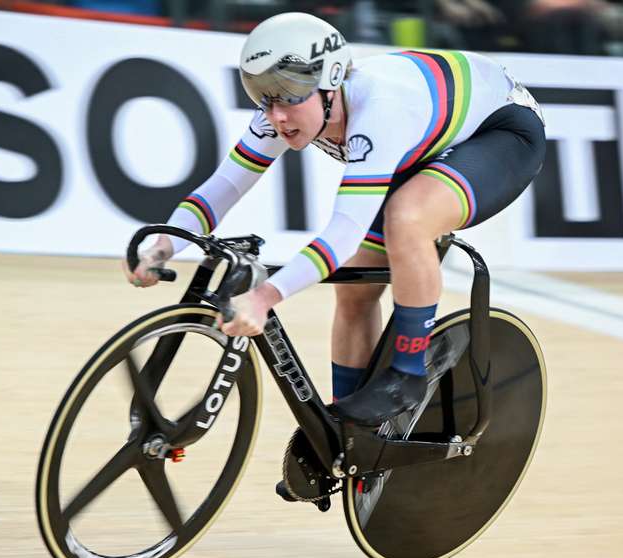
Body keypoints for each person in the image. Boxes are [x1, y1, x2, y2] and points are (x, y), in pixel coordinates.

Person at [124, 13, 545, 430]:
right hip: (423, 144)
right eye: (264, 97)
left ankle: (408, 374)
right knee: (352, 292)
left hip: (499, 132)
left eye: (290, 96)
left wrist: (266, 296)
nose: (277, 116)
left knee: (407, 218)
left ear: (332, 82)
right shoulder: (280, 112)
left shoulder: (379, 109)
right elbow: (224, 188)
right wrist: (164, 246)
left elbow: (343, 234)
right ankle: (348, 434)